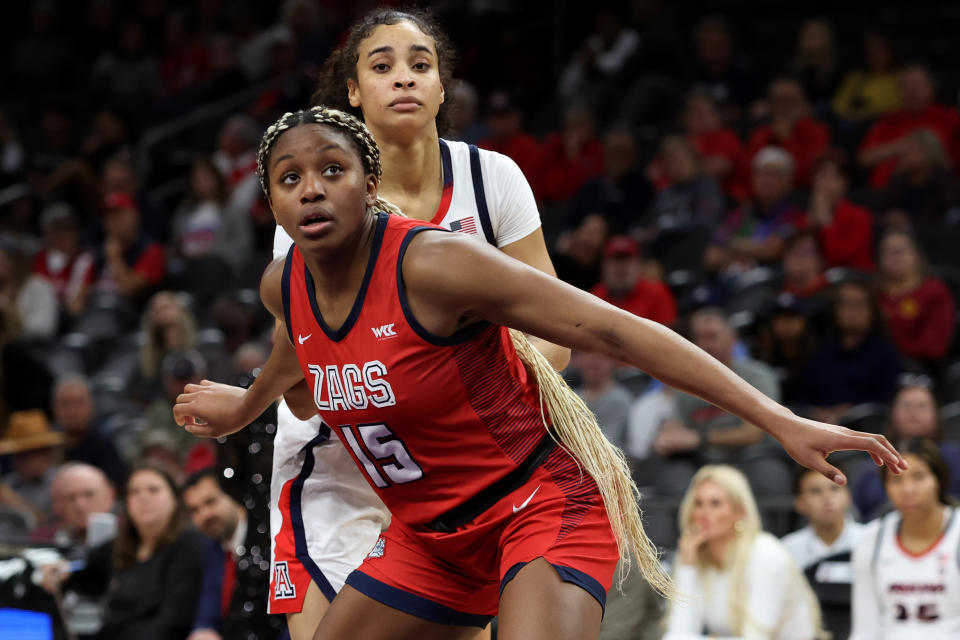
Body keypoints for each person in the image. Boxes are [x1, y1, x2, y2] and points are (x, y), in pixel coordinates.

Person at [173, 106, 904, 640]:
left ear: (369, 182)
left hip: (538, 507)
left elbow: (620, 331)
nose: (311, 189)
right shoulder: (284, 285)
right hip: (432, 538)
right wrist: (244, 409)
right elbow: (294, 355)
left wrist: (781, 420)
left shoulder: (435, 263)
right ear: (269, 200)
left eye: (332, 170)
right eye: (290, 177)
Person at [267, 10, 572, 638]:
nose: (403, 78)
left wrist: (459, 383)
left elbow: (558, 333)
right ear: (353, 92)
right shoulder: (318, 206)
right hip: (346, 465)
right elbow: (300, 382)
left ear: (441, 87)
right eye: (382, 66)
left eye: (420, 65)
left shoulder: (492, 179)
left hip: (463, 463)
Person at [42, 463, 204, 640]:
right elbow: (87, 571)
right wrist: (64, 572)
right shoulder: (122, 544)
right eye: (134, 492)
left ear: (175, 497)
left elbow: (173, 622)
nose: (143, 498)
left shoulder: (188, 544)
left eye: (153, 490)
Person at [663, 465, 825, 639]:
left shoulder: (765, 553)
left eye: (715, 503)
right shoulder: (693, 555)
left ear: (740, 512)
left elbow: (757, 636)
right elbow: (678, 633)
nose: (703, 513)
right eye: (698, 503)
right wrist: (688, 567)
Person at [653, 308, 788, 494]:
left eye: (712, 336)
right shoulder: (685, 384)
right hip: (702, 462)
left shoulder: (757, 376)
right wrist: (667, 439)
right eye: (700, 337)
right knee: (670, 473)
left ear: (732, 339)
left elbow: (754, 434)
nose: (706, 344)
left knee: (769, 471)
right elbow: (678, 430)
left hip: (752, 458)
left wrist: (699, 438)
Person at [850, 439, 960, 639]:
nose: (908, 489)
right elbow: (864, 629)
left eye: (918, 477)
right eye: (896, 480)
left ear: (939, 480)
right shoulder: (871, 540)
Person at [184, 468, 285, 640]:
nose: (205, 515)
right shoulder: (211, 549)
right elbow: (208, 611)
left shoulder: (272, 537)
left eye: (211, 502)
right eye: (195, 510)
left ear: (233, 495)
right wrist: (202, 631)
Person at [797, 280, 903, 423]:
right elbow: (803, 399)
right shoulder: (820, 354)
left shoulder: (886, 355)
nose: (852, 311)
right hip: (820, 428)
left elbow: (888, 403)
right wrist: (817, 412)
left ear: (872, 311)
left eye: (859, 304)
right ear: (835, 310)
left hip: (869, 432)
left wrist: (849, 412)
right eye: (846, 304)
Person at [854, 381, 960, 521]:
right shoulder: (873, 464)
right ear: (892, 414)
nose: (913, 412)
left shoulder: (956, 458)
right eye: (906, 406)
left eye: (922, 406)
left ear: (936, 414)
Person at [704, 147, 804, 275]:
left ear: (788, 182)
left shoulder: (794, 216)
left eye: (774, 174)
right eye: (762, 173)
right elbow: (710, 257)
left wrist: (732, 247)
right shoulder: (739, 215)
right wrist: (753, 250)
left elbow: (772, 251)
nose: (767, 180)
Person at [859, 64, 960, 189]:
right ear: (899, 92)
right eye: (907, 87)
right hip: (884, 192)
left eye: (918, 86)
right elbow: (864, 160)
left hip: (935, 193)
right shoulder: (888, 120)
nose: (913, 92)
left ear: (931, 88)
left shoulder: (949, 118)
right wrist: (899, 147)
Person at [876, 229, 955, 368]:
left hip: (921, 367)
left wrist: (888, 353)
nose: (895, 256)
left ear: (915, 254)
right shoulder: (872, 293)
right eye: (888, 251)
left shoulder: (934, 291)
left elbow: (935, 346)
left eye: (901, 250)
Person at [743, 76, 830, 188]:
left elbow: (807, 175)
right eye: (776, 101)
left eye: (789, 101)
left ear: (802, 104)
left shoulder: (817, 132)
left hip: (801, 196)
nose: (782, 108)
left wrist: (786, 140)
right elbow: (748, 173)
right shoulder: (761, 134)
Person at [801, 150, 875, 271]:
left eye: (830, 176)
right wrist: (811, 220)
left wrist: (824, 216)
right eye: (819, 176)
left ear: (844, 183)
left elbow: (839, 257)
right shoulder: (803, 216)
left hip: (852, 279)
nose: (824, 183)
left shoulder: (860, 216)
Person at [52, 375, 126, 489]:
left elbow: (114, 488)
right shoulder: (46, 446)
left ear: (91, 407)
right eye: (64, 404)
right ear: (54, 409)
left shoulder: (104, 447)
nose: (71, 412)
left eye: (78, 403)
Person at [589, 236, 676, 326]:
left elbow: (668, 333)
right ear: (604, 266)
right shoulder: (594, 297)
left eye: (627, 260)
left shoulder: (657, 293)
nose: (621, 268)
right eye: (615, 260)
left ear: (638, 264)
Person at [0, 409, 65, 525]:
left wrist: (12, 501)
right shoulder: (9, 482)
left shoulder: (63, 483)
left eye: (27, 454)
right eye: (17, 454)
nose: (20, 460)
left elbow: (51, 527)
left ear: (46, 452)